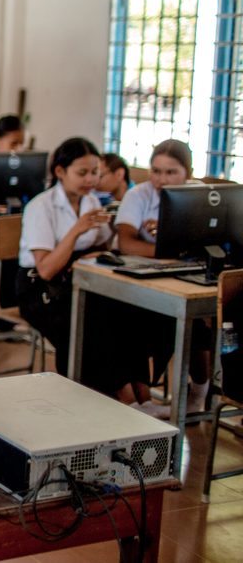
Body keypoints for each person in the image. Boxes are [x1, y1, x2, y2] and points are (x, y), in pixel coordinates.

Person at [114, 139, 211, 414]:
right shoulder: (139, 195)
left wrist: (167, 243)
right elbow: (127, 243)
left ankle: (199, 393)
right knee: (136, 321)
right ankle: (142, 399)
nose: (161, 179)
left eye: (171, 172)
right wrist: (171, 246)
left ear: (187, 173)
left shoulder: (199, 195)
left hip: (181, 281)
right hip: (140, 284)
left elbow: (207, 242)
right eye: (156, 171)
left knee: (198, 328)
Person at [16, 137, 113, 377]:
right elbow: (46, 269)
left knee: (116, 317)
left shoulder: (91, 201)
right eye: (82, 173)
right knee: (77, 324)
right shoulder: (41, 206)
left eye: (95, 172)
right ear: (60, 171)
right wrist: (77, 229)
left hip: (76, 282)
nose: (90, 180)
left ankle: (126, 397)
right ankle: (79, 391)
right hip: (39, 288)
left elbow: (102, 243)